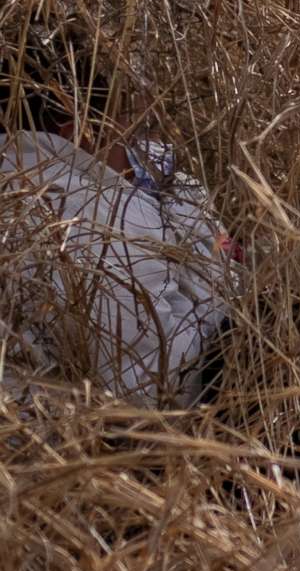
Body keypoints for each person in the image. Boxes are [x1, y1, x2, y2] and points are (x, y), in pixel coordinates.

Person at [1, 29, 236, 405]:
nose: (137, 148)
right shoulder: (90, 215)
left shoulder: (32, 188)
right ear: (81, 129)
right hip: (108, 449)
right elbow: (158, 388)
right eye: (126, 126)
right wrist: (206, 257)